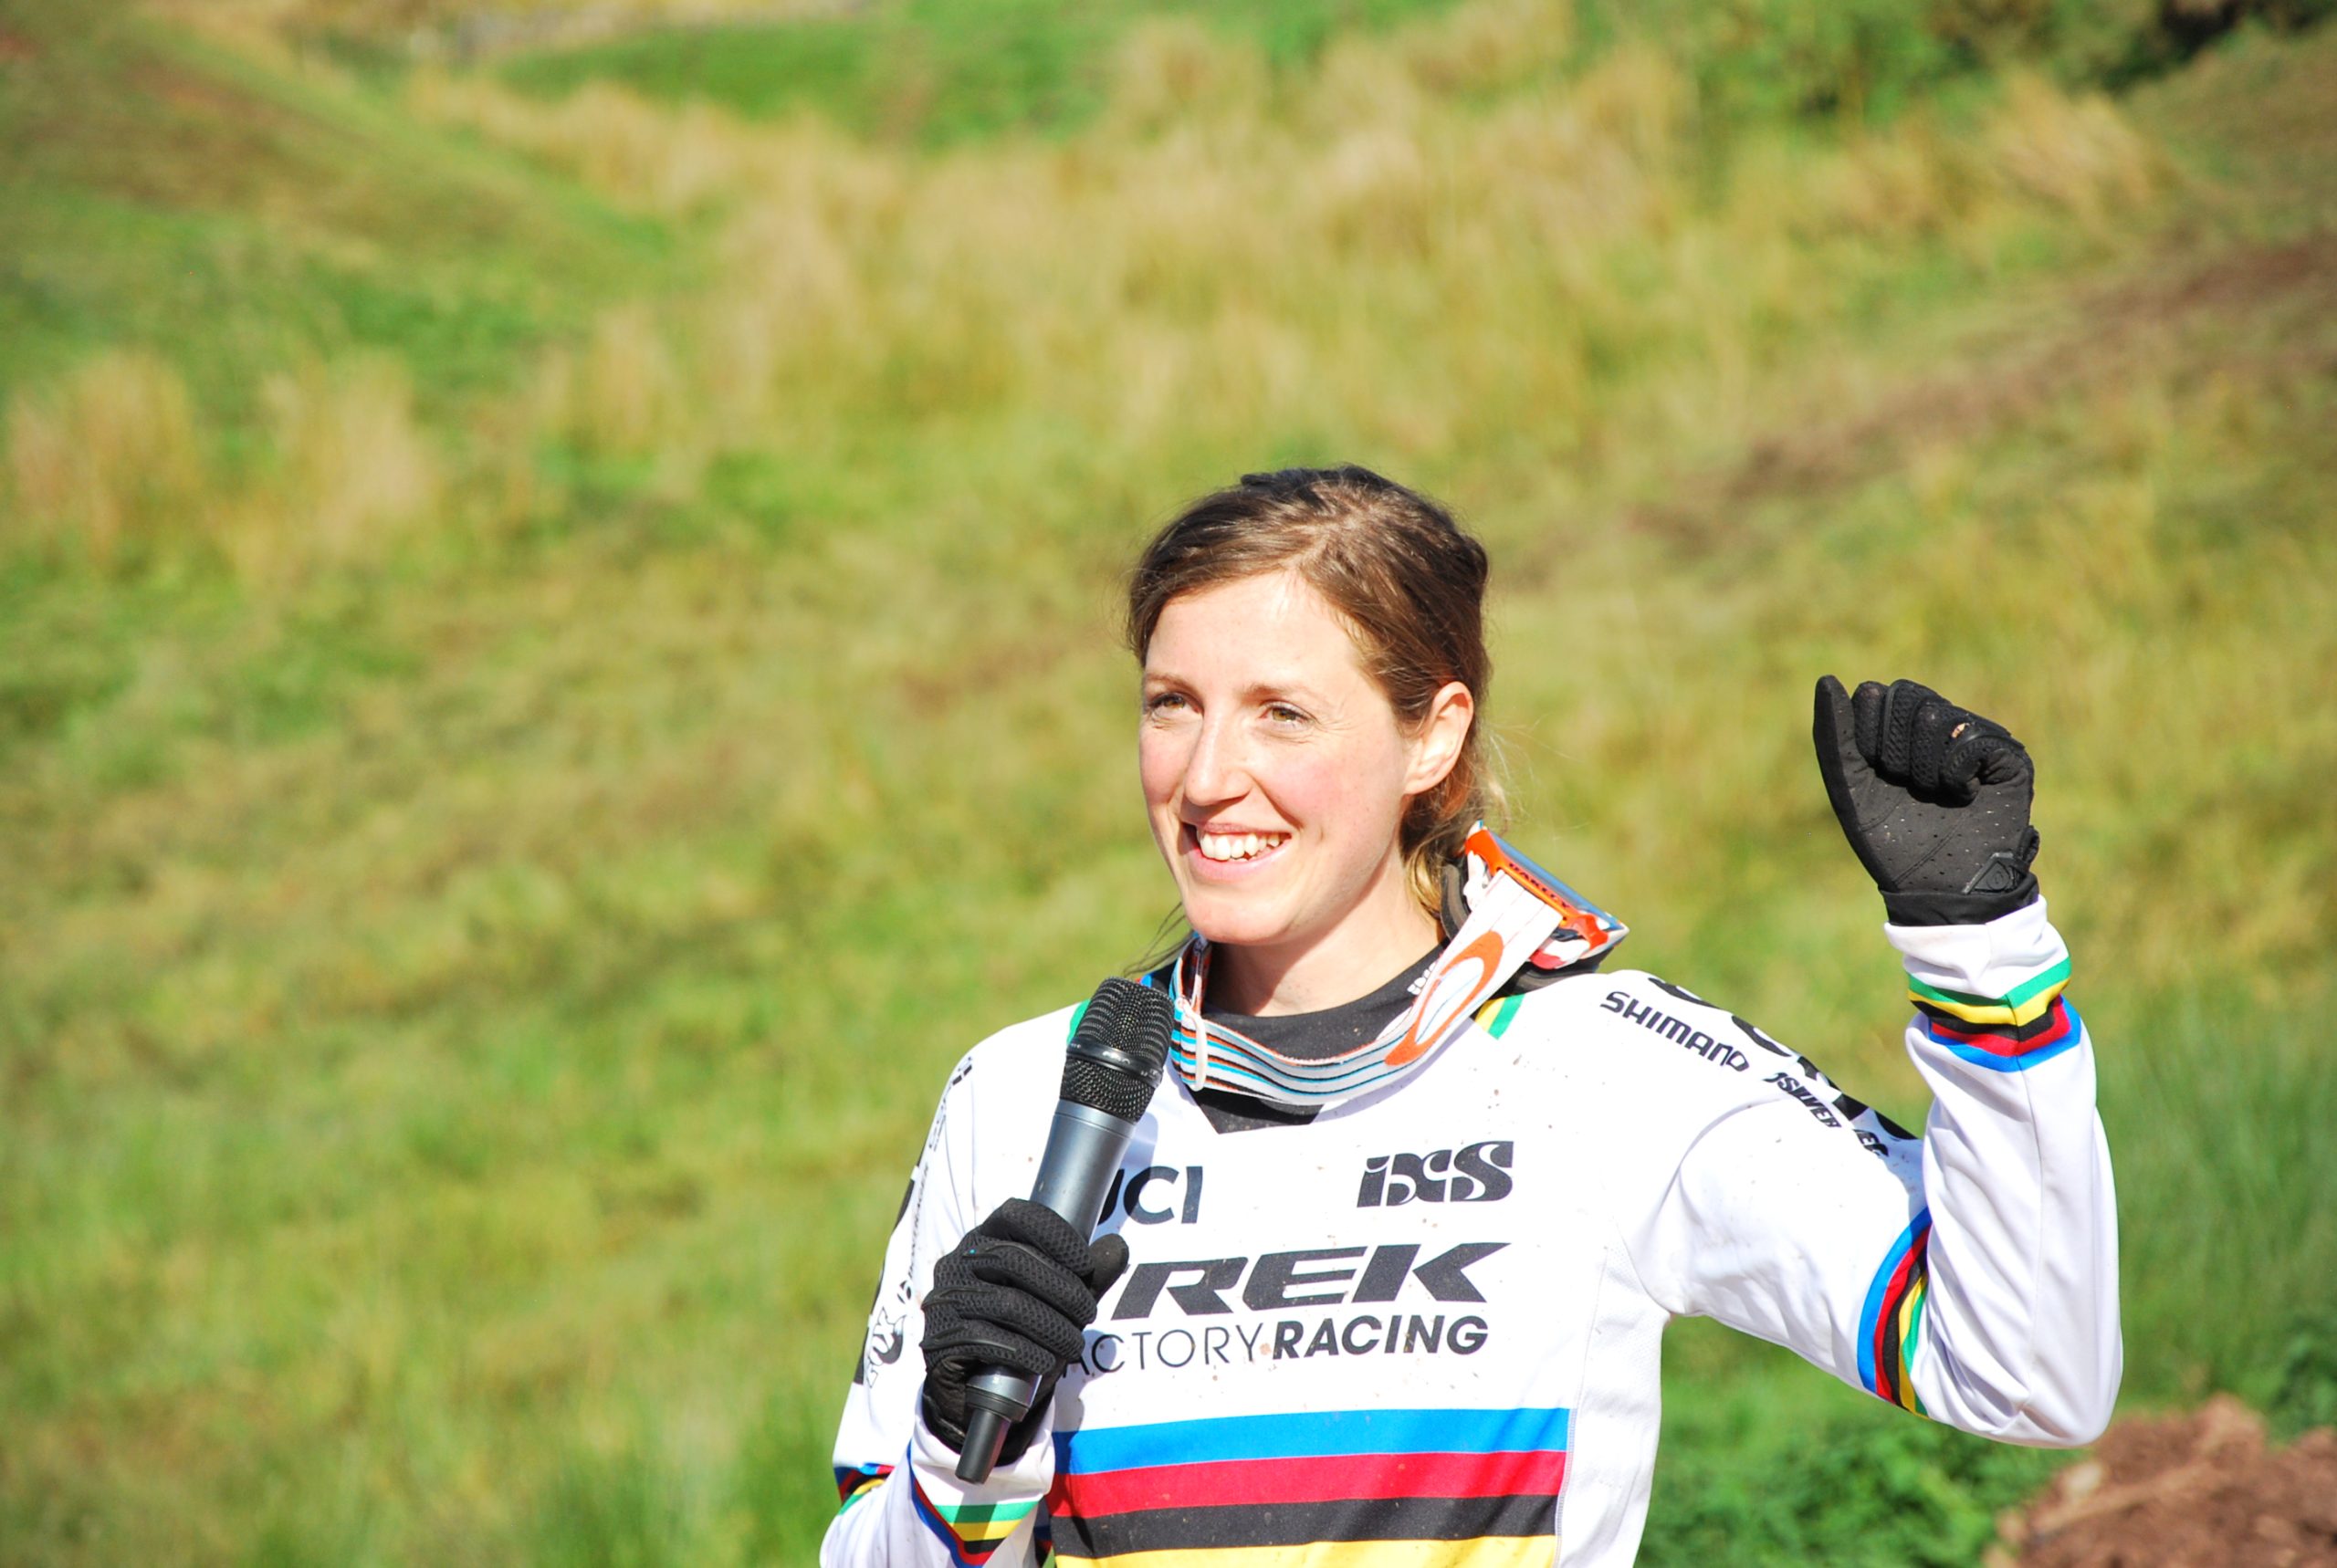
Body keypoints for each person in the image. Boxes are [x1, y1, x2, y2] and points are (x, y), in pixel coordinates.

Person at [822, 465, 2120, 1567]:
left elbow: (2026, 1366)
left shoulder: (1605, 1070)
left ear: (1434, 735)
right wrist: (958, 1458)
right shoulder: (1024, 1095)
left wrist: (1980, 951)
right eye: (1174, 704)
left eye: (1282, 713)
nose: (1208, 778)